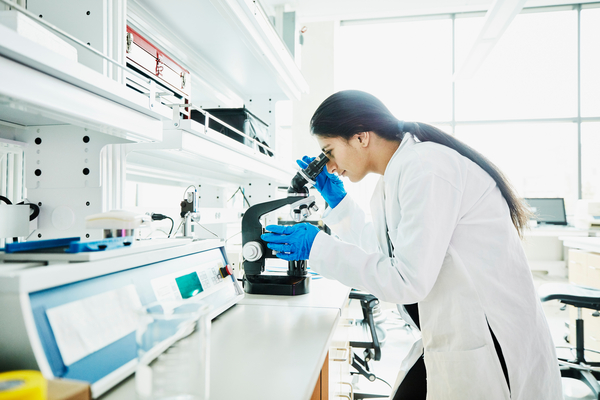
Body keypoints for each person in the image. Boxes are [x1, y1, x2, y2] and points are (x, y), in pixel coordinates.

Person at [261, 90, 562, 399]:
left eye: (330, 151)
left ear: (361, 137)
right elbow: (383, 251)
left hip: (491, 343)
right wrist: (339, 206)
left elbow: (407, 279)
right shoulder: (396, 177)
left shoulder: (426, 167)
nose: (330, 165)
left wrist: (317, 248)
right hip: (454, 332)